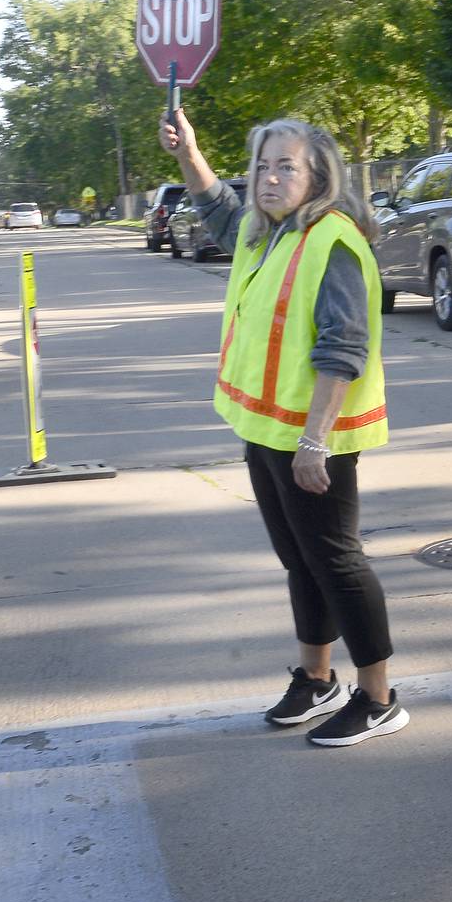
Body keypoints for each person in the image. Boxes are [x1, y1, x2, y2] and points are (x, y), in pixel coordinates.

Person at [159, 107, 408, 747]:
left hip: (312, 439)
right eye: (263, 167)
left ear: (318, 176)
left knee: (336, 561)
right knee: (299, 560)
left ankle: (379, 697)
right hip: (266, 429)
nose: (269, 179)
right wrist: (189, 152)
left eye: (286, 168)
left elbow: (343, 349)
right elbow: (216, 209)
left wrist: (313, 442)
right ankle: (317, 678)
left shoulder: (333, 240)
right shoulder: (265, 233)